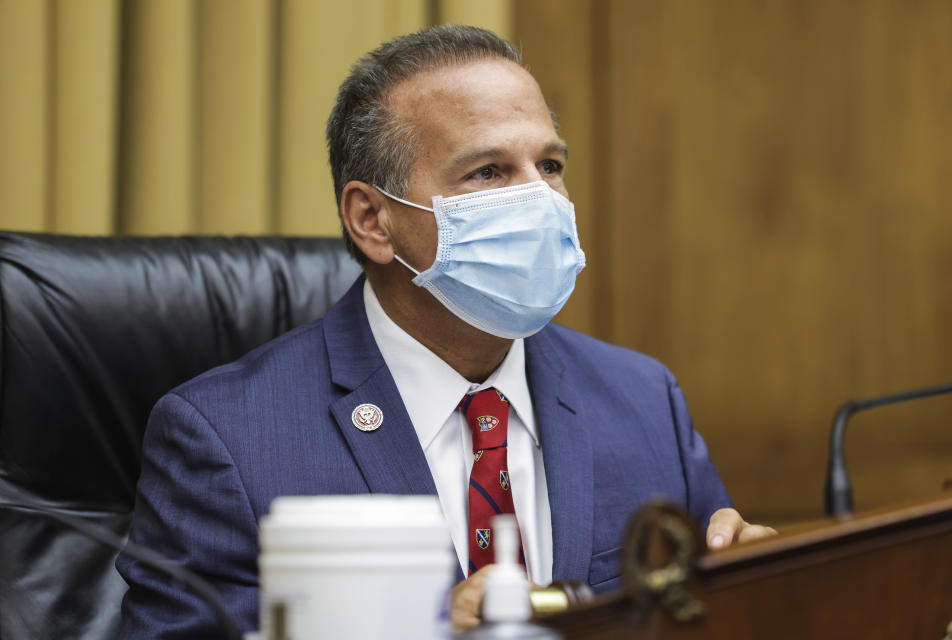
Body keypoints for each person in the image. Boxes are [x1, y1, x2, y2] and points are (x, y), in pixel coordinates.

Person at [117, 25, 774, 637]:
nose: (540, 201)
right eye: (488, 172)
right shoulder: (227, 438)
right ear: (372, 219)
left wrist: (762, 591)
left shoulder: (642, 398)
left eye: (549, 166)